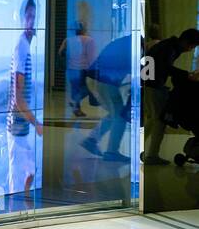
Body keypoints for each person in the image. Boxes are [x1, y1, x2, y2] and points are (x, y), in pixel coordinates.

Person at [141, 29, 199, 165]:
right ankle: (152, 156)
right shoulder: (169, 48)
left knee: (152, 119)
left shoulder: (167, 46)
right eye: (192, 46)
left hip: (148, 84)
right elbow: (166, 68)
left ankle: (142, 148)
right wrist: (188, 75)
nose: (191, 49)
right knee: (160, 121)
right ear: (185, 41)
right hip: (152, 86)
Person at [7, 0, 42, 195]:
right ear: (21, 18)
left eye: (34, 17)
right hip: (17, 126)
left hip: (21, 127)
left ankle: (24, 205)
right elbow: (18, 97)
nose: (31, 21)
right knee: (18, 179)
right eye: (28, 16)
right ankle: (15, 212)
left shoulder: (26, 44)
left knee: (29, 171)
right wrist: (36, 122)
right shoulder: (21, 46)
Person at [82, 34, 135, 163]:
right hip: (104, 81)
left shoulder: (124, 41)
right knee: (120, 116)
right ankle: (111, 152)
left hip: (96, 78)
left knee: (114, 114)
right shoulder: (132, 45)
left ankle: (91, 140)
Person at [59, 19, 96, 117]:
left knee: (76, 89)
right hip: (84, 70)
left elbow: (60, 53)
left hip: (71, 69)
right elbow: (91, 58)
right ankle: (75, 103)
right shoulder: (89, 40)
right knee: (88, 89)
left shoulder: (68, 40)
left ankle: (76, 108)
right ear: (83, 29)